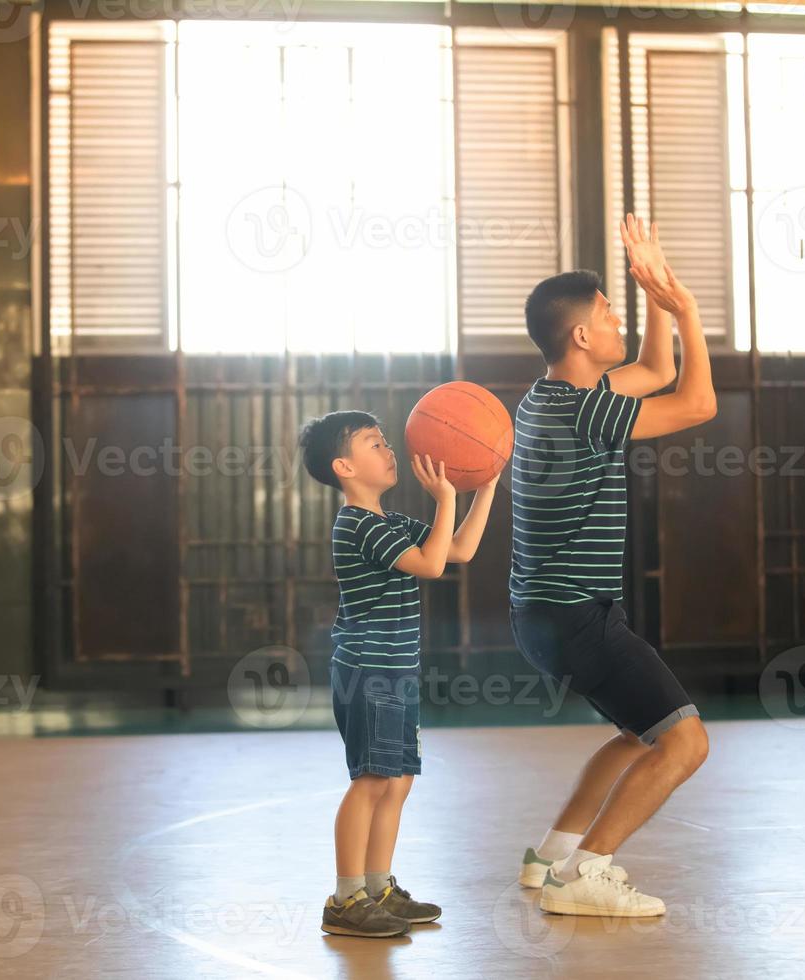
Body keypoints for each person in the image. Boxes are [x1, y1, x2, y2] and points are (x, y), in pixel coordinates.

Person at [510, 215, 716, 917]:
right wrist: (684, 307)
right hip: (577, 617)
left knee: (636, 736)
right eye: (607, 311)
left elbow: (656, 372)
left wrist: (654, 294)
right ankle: (585, 874)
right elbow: (696, 400)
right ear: (581, 338)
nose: (615, 316)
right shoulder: (585, 413)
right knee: (684, 742)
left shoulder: (548, 399)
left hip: (544, 617)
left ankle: (549, 860)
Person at [298, 411, 497, 937]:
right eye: (374, 443)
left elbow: (457, 550)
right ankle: (345, 900)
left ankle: (377, 887)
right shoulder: (357, 525)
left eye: (386, 441)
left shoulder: (389, 523)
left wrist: (484, 485)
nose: (389, 450)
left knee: (398, 781)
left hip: (394, 673)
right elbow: (430, 567)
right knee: (371, 781)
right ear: (344, 466)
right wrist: (446, 497)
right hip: (368, 673)